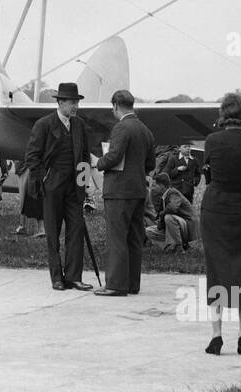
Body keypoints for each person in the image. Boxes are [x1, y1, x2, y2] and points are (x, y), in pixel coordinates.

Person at [200, 93, 241, 356]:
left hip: (216, 210)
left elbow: (211, 174)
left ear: (223, 114)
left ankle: (216, 335)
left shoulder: (212, 141)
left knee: (217, 269)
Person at [24, 82, 98, 291]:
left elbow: (84, 158)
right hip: (52, 188)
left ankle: (74, 277)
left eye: (77, 103)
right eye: (72, 103)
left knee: (76, 232)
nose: (76, 107)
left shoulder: (80, 126)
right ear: (61, 102)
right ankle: (57, 278)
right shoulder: (44, 124)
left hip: (74, 190)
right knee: (53, 234)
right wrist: (44, 180)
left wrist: (83, 188)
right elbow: (32, 157)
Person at [92, 90, 155, 297]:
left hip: (118, 191)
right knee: (134, 238)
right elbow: (150, 164)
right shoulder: (145, 130)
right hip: (138, 191)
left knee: (117, 238)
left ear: (116, 106)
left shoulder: (121, 128)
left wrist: (97, 162)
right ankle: (131, 284)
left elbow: (113, 156)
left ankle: (116, 285)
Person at [149, 173, 198, 252]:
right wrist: (160, 223)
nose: (152, 188)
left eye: (154, 185)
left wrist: (162, 214)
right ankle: (168, 248)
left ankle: (179, 247)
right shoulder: (163, 196)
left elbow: (173, 207)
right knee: (149, 231)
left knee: (168, 217)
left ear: (162, 186)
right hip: (177, 226)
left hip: (187, 225)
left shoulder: (173, 192)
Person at [13, 157, 44, 237]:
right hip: (27, 166)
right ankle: (23, 226)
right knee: (28, 198)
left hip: (31, 166)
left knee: (35, 197)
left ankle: (41, 229)